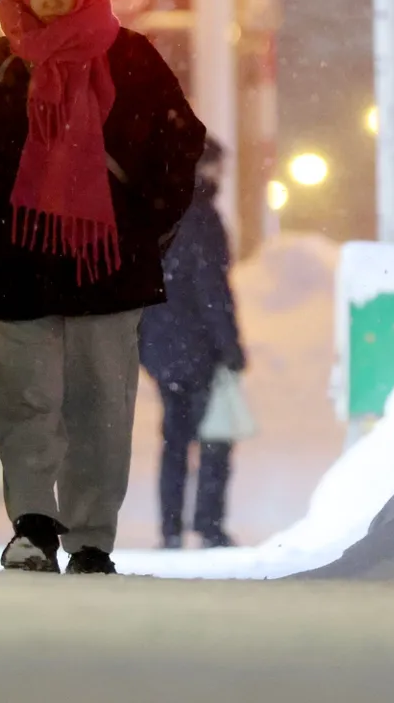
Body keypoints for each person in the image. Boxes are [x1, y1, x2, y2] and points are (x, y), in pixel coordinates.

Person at [0, 0, 206, 575]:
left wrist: (140, 221)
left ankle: (92, 537)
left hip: (106, 267)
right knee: (25, 399)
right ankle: (32, 524)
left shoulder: (130, 58)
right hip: (18, 264)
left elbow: (180, 145)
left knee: (101, 402)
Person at [140, 138, 247, 549]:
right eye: (217, 166)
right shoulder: (201, 217)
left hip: (162, 344)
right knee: (214, 437)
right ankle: (209, 523)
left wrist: (145, 342)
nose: (221, 175)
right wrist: (230, 345)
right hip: (198, 347)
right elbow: (211, 289)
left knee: (173, 438)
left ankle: (170, 528)